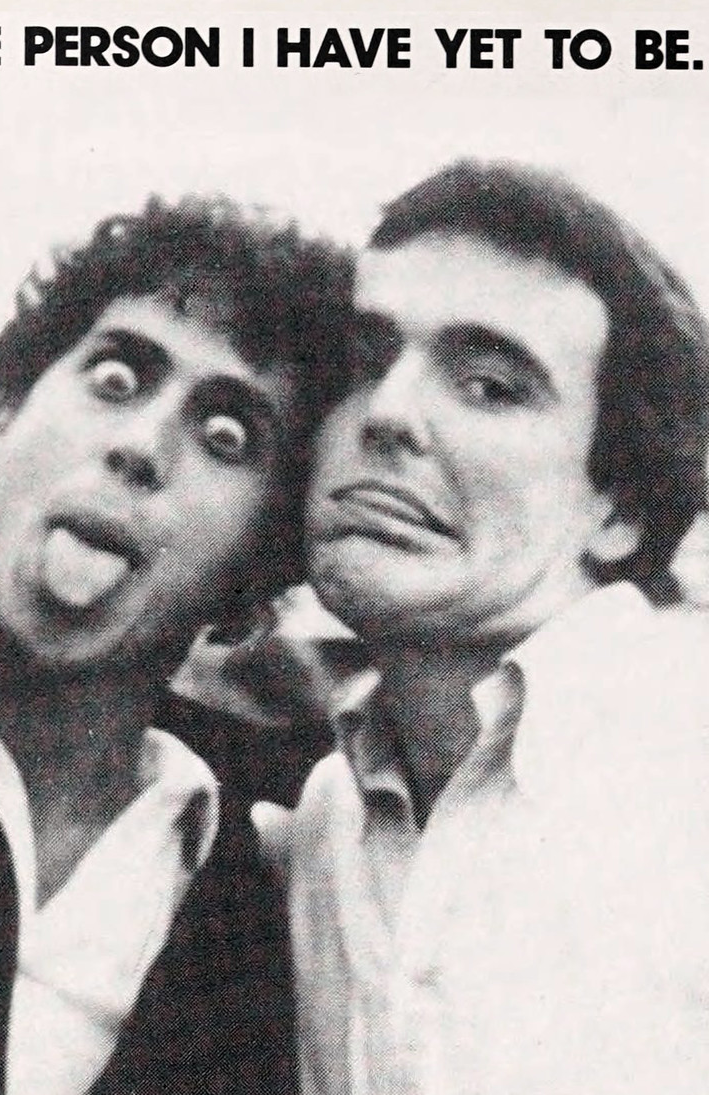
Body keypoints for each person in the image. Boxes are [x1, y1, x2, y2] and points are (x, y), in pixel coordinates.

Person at [258, 160, 709, 1095]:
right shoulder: (328, 817)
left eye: (491, 386)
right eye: (366, 362)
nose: (387, 414)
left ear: (620, 507)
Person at [0, 194, 353, 1095]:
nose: (141, 445)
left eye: (226, 436)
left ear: (255, 586)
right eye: (115, 378)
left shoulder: (277, 883)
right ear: (2, 424)